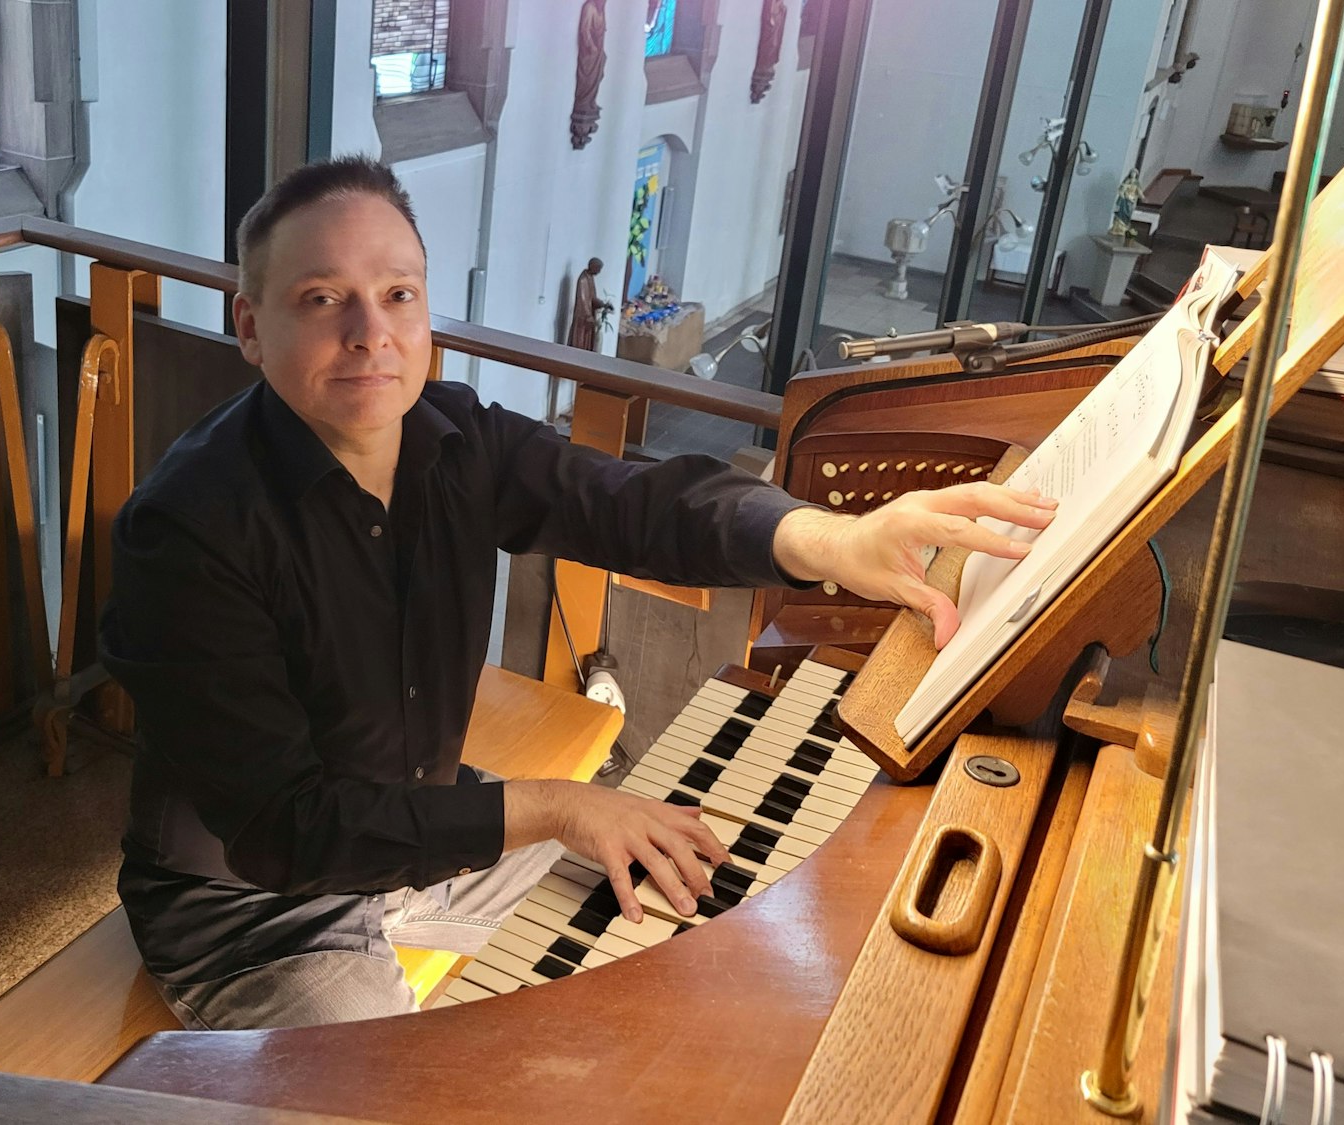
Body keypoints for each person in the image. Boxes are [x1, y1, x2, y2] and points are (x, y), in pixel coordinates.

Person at [99, 157, 1055, 1032]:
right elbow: (289, 828)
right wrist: (558, 806)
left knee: (685, 918)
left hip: (419, 828)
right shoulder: (184, 529)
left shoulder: (455, 436)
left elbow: (628, 503)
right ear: (251, 326)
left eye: (398, 294)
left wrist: (832, 538)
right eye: (322, 298)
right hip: (259, 909)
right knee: (410, 1093)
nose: (370, 332)